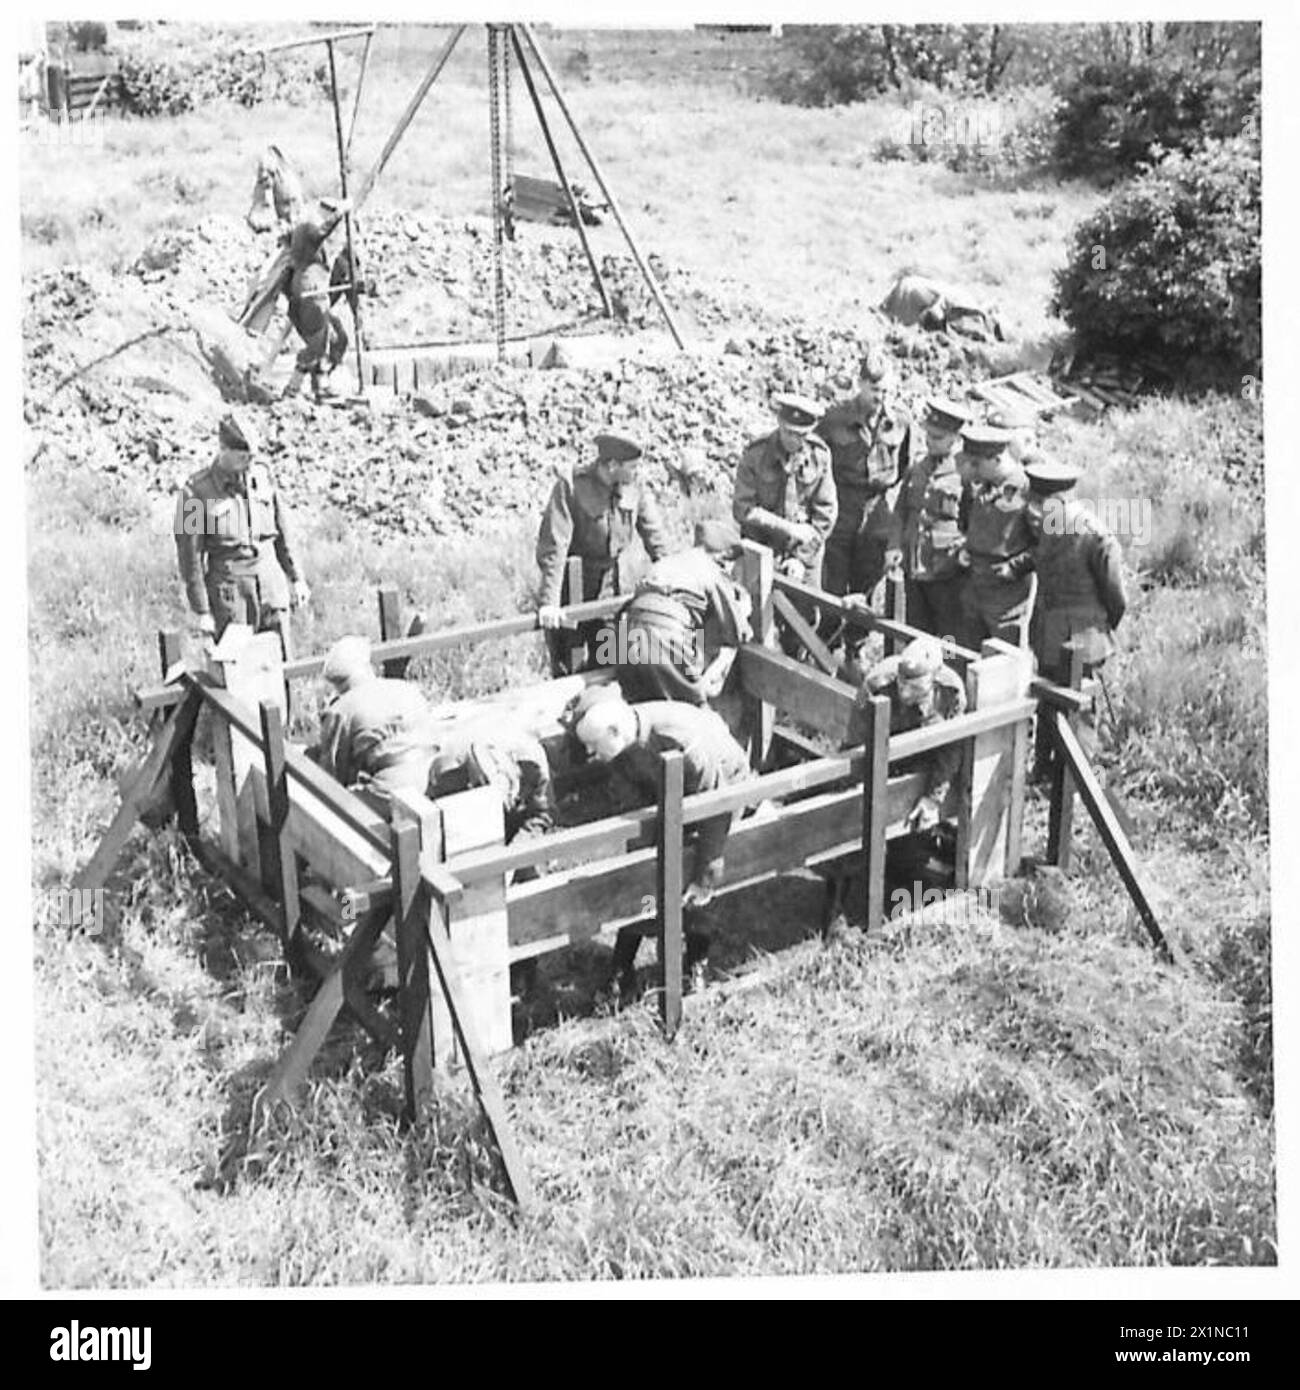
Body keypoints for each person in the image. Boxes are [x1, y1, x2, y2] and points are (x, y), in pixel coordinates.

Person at [572, 693, 754, 994]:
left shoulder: (679, 740)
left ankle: (696, 960)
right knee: (643, 881)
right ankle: (622, 964)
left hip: (721, 789)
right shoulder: (623, 741)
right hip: (665, 796)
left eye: (594, 744)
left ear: (616, 732)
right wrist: (644, 862)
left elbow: (716, 803)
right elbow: (635, 791)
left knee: (694, 879)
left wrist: (706, 874)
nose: (591, 753)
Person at [827, 638, 968, 937]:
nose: (905, 694)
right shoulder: (877, 685)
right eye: (902, 685)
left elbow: (950, 750)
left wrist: (933, 798)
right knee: (852, 830)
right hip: (878, 756)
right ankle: (837, 904)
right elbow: (856, 743)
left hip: (921, 761)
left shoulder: (951, 692)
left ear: (934, 679)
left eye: (915, 688)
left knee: (909, 845)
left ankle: (902, 879)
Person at [174, 410, 310, 659]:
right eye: (242, 456)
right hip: (232, 595)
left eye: (252, 457)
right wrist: (202, 611)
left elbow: (282, 530)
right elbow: (189, 559)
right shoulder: (194, 493)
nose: (248, 463)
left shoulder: (262, 474)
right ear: (223, 449)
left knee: (281, 666)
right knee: (239, 673)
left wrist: (296, 577)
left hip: (272, 587)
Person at [1023, 459, 1128, 779]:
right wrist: (1106, 625)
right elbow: (1115, 594)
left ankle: (1050, 771)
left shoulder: (1046, 526)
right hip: (1082, 634)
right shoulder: (1093, 531)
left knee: (1050, 698)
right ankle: (1070, 777)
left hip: (1052, 630)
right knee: (1077, 704)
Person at [536, 431, 669, 677]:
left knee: (610, 667)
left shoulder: (634, 488)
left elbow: (655, 537)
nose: (636, 472)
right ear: (611, 465)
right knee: (568, 672)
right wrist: (549, 603)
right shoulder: (572, 486)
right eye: (631, 467)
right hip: (571, 588)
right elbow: (554, 547)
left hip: (611, 587)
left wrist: (672, 578)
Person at [614, 519, 752, 705]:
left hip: (629, 631)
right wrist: (743, 608)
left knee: (641, 703)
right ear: (723, 557)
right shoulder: (710, 570)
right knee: (688, 711)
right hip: (666, 635)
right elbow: (736, 632)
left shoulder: (672, 561)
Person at [815, 349, 913, 602]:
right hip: (841, 510)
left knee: (866, 585)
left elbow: (904, 467)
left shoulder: (900, 421)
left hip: (877, 515)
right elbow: (816, 465)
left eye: (886, 391)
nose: (880, 397)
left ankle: (856, 640)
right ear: (860, 384)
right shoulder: (834, 419)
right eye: (875, 389)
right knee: (832, 584)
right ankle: (827, 639)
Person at [313, 636, 439, 810]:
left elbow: (331, 778)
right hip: (431, 775)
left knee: (337, 810)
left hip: (392, 791)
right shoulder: (404, 688)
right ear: (368, 666)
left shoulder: (341, 710)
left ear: (336, 682)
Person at [733, 393, 837, 584]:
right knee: (754, 608)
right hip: (761, 548)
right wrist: (789, 529)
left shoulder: (819, 456)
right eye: (788, 432)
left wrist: (800, 559)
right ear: (779, 424)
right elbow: (743, 509)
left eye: (801, 435)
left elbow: (825, 515)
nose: (794, 440)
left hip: (805, 554)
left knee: (803, 611)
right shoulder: (756, 454)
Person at [891, 397, 970, 643]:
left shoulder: (965, 475)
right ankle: (919, 676)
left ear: (955, 439)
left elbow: (975, 526)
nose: (929, 442)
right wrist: (893, 546)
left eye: (937, 438)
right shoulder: (917, 468)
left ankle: (949, 675)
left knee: (949, 636)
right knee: (917, 632)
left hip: (947, 573)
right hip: (915, 567)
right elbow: (900, 511)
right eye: (928, 435)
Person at [957, 425, 1036, 650]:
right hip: (974, 587)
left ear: (997, 459)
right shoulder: (983, 486)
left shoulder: (1028, 489)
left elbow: (1047, 545)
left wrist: (1015, 567)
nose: (972, 469)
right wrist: (966, 546)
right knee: (965, 653)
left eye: (977, 464)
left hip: (1006, 596)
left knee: (1002, 662)